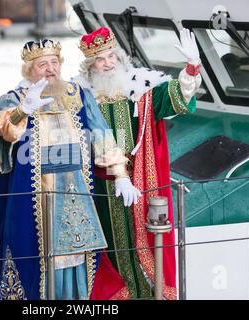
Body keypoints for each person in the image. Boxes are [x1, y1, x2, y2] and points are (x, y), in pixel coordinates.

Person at [0, 39, 139, 300]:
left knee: (77, 255)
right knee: (34, 255)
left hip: (75, 191)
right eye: (42, 64)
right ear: (28, 70)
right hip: (33, 196)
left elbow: (102, 135)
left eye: (54, 62)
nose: (50, 69)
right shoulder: (12, 99)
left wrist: (121, 174)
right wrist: (22, 111)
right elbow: (4, 130)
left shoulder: (78, 94)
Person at [74, 27, 202, 299]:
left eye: (111, 57)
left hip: (141, 182)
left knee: (144, 237)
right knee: (108, 244)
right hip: (99, 189)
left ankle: (148, 293)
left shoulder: (141, 90)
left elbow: (178, 96)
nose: (107, 64)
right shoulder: (80, 99)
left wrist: (192, 66)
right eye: (100, 59)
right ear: (90, 67)